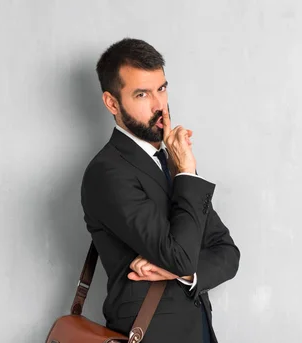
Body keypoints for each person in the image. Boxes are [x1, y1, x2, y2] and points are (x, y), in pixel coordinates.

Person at [80, 38, 240, 343]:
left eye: (162, 89)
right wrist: (188, 172)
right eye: (142, 94)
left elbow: (227, 253)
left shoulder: (171, 163)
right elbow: (181, 256)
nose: (159, 105)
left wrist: (181, 274)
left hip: (200, 332)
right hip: (152, 335)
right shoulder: (107, 172)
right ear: (112, 103)